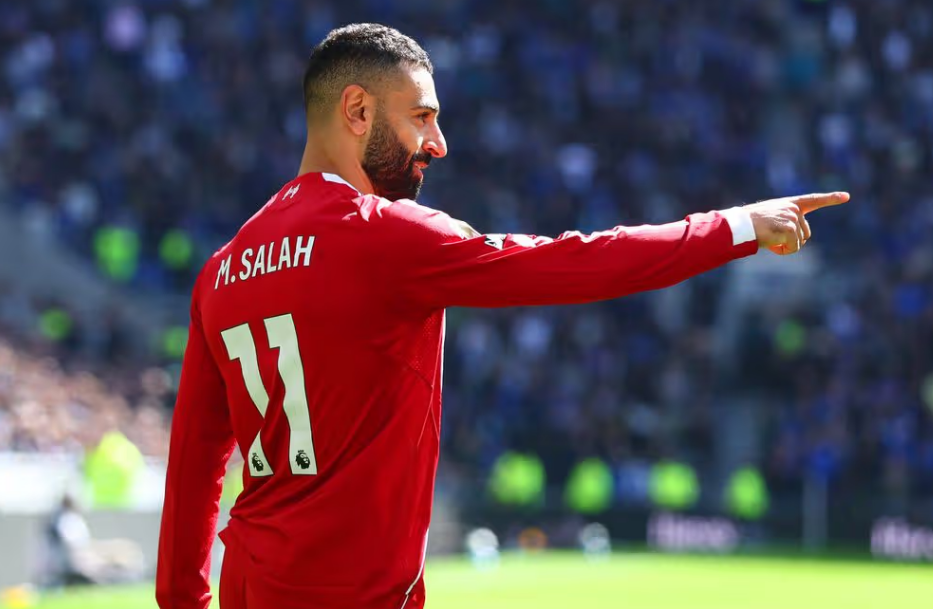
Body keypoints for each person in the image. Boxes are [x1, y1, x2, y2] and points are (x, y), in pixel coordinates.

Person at [156, 23, 848, 609]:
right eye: (421, 116)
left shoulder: (222, 268)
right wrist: (736, 226)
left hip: (251, 584)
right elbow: (574, 262)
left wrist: (183, 599)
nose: (438, 142)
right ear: (357, 111)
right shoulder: (384, 238)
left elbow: (192, 467)